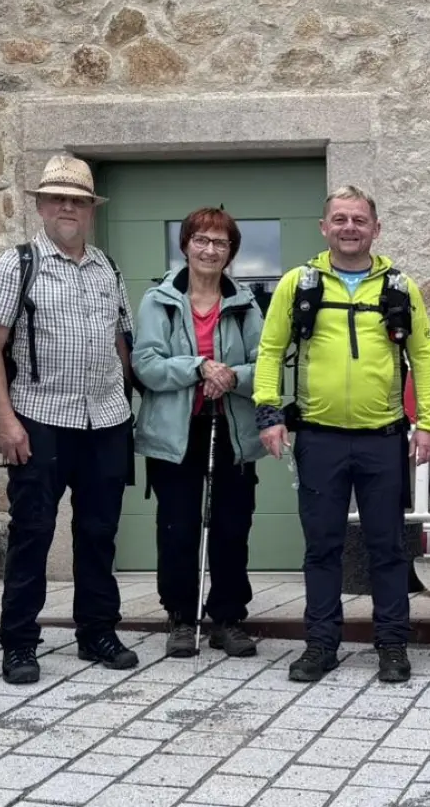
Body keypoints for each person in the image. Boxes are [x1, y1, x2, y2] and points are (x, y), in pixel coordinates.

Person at [254, 184, 430, 684]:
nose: (350, 228)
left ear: (376, 229)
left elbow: (423, 358)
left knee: (388, 547)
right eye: (340, 219)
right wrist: (269, 415)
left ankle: (393, 645)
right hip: (318, 437)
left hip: (383, 438)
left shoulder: (400, 288)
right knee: (321, 545)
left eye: (359, 220)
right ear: (324, 227)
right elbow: (270, 352)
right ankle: (320, 644)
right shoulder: (299, 283)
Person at [0, 154, 138, 685]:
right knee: (33, 532)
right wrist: (5, 422)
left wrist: (131, 404)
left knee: (99, 532)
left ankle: (96, 631)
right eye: (58, 199)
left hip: (106, 420)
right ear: (42, 206)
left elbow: (122, 343)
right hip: (40, 418)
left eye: (79, 200)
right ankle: (19, 642)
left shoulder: (109, 268)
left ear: (90, 210)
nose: (68, 207)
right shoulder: (16, 264)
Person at [133, 206, 266, 660]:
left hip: (231, 431)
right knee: (177, 528)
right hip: (176, 433)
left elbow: (263, 366)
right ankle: (181, 617)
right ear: (185, 244)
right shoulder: (159, 300)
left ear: (231, 253)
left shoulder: (246, 302)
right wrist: (197, 367)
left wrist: (233, 376)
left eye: (220, 243)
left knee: (232, 527)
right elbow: (145, 364)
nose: (210, 250)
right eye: (202, 240)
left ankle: (227, 618)